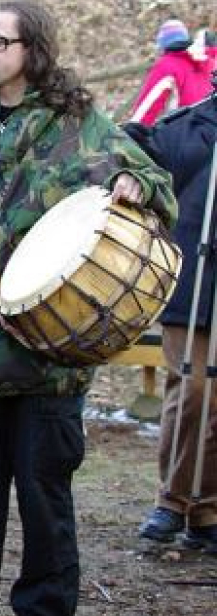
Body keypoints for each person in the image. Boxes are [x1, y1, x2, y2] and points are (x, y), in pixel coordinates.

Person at [0, 0, 176, 616]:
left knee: (45, 500)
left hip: (49, 354)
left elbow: (157, 185)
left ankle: (47, 607)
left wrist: (138, 187)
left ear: (32, 51)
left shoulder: (81, 127)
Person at [123, 94, 217, 555]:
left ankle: (206, 511)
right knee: (195, 388)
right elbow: (131, 150)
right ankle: (174, 501)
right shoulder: (188, 127)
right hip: (194, 284)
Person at [128, 19, 212, 125]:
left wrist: (133, 129)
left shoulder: (167, 65)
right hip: (209, 135)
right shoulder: (208, 63)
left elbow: (146, 108)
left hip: (181, 134)